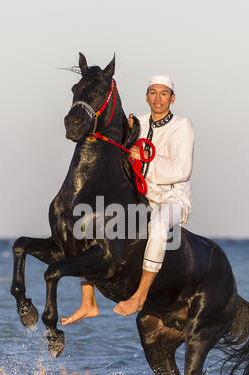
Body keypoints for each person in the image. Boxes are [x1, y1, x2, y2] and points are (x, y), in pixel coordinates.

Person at [60, 75, 195, 325]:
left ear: (172, 98)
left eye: (163, 93)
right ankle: (88, 302)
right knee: (88, 220)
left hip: (172, 199)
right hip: (141, 195)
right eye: (152, 93)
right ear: (146, 97)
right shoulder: (138, 122)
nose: (157, 98)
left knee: (157, 225)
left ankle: (140, 297)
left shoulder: (182, 125)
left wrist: (145, 157)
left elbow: (182, 170)